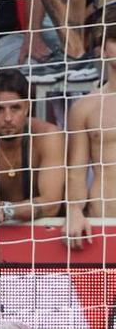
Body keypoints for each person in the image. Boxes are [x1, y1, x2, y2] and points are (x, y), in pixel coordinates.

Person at [0, 69, 65, 224]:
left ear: (27, 108)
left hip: (43, 231)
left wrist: (5, 209)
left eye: (15, 108)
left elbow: (52, 203)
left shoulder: (48, 136)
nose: (8, 118)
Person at [64, 24, 116, 248]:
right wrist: (74, 210)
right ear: (102, 50)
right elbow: (76, 170)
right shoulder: (85, 107)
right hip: (104, 216)